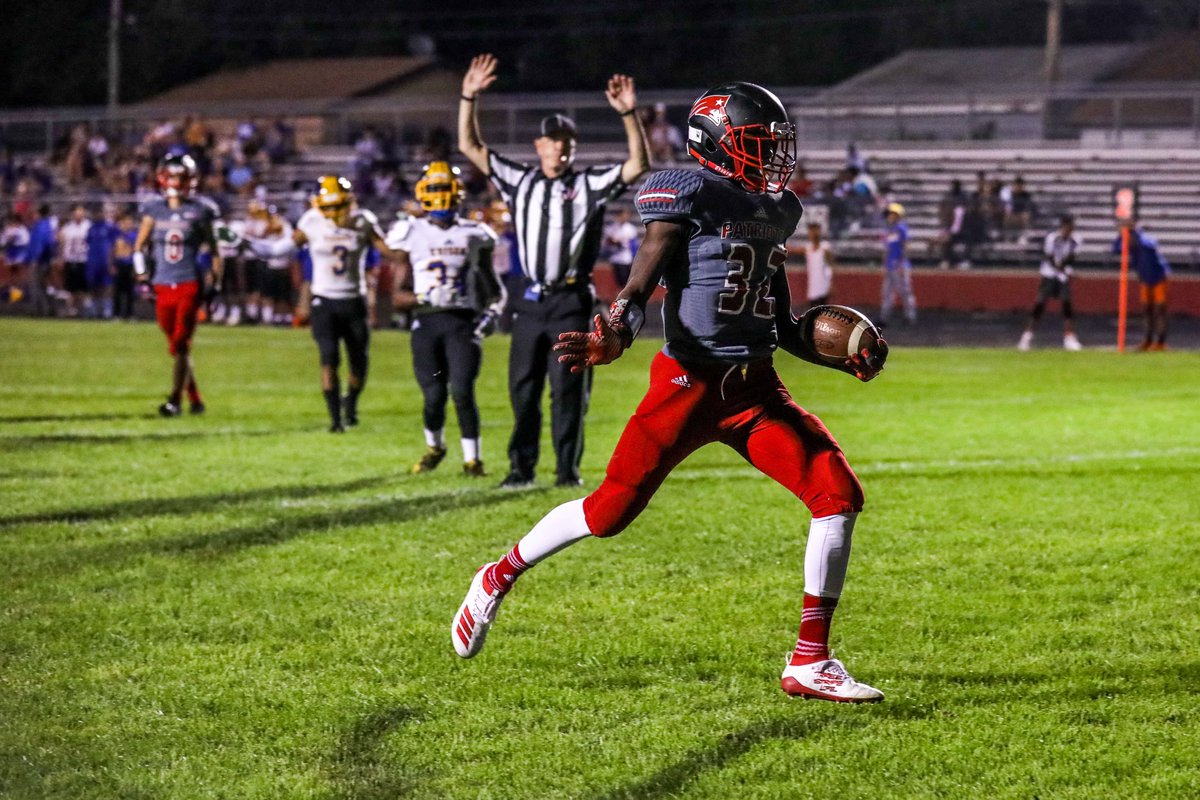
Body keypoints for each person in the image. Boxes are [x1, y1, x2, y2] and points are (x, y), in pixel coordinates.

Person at [451, 82, 889, 704]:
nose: (773, 157)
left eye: (775, 145)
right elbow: (649, 263)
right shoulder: (690, 191)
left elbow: (780, 321)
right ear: (717, 146)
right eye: (759, 144)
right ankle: (497, 574)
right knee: (607, 515)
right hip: (687, 385)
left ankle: (809, 659)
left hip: (755, 389)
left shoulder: (777, 209)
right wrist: (620, 321)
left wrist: (843, 357)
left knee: (837, 493)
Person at [457, 53, 650, 488]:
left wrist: (628, 115)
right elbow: (471, 147)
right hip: (531, 298)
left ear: (573, 147)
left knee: (568, 390)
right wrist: (469, 96)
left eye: (567, 141)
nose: (560, 146)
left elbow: (638, 166)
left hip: (570, 298)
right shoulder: (519, 181)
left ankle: (567, 473)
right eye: (552, 140)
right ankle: (520, 469)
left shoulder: (588, 184)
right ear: (538, 146)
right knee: (522, 389)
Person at [245, 175, 400, 431]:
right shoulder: (312, 222)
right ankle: (335, 420)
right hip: (324, 301)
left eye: (339, 205)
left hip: (354, 300)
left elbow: (389, 252)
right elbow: (279, 250)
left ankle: (350, 403)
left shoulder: (364, 221)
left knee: (359, 361)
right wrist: (247, 244)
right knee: (328, 359)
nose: (335, 213)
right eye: (330, 206)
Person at [387, 161, 504, 477]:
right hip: (426, 322)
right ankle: (435, 447)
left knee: (463, 391)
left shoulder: (473, 234)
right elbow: (397, 296)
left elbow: (494, 287)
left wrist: (493, 312)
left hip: (463, 323)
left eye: (444, 190)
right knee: (434, 396)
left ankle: (473, 460)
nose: (440, 198)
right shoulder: (411, 232)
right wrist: (423, 298)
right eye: (435, 191)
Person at [132, 153, 223, 416]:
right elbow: (139, 247)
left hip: (188, 284)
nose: (174, 181)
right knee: (176, 347)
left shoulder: (201, 210)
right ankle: (195, 397)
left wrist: (214, 284)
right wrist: (142, 277)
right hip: (162, 284)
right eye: (170, 176)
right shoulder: (153, 209)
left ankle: (174, 401)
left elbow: (216, 251)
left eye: (179, 176)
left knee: (182, 343)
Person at [1018, 214, 1083, 351]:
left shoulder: (1076, 240)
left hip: (1063, 274)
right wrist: (1060, 269)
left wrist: (1063, 270)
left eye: (1070, 228)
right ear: (1062, 227)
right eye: (1066, 227)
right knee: (1040, 303)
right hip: (1049, 273)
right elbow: (1049, 257)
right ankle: (1027, 337)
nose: (1068, 231)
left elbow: (1071, 258)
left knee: (1066, 303)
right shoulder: (1052, 238)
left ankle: (1069, 337)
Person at [1113, 220, 1171, 351]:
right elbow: (1116, 249)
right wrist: (1121, 235)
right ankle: (1148, 340)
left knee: (1160, 309)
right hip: (1145, 279)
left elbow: (1150, 244)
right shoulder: (1129, 241)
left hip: (1159, 277)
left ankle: (1161, 342)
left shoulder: (1144, 238)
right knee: (1147, 310)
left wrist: (1134, 233)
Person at [880, 202, 917, 325]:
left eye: (893, 214)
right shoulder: (889, 230)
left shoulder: (901, 228)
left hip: (899, 265)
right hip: (890, 265)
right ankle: (884, 317)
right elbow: (888, 248)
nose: (890, 216)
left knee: (905, 291)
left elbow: (905, 246)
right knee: (887, 292)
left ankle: (910, 316)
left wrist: (902, 263)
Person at [59, 205, 91, 317]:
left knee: (83, 288)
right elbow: (62, 244)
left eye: (80, 213)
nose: (78, 215)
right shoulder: (68, 227)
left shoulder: (88, 226)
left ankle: (83, 311)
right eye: (77, 213)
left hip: (84, 260)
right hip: (70, 259)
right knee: (70, 288)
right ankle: (71, 310)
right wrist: (62, 258)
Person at [797, 219, 834, 308]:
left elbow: (831, 266)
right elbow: (793, 250)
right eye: (811, 230)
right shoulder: (808, 248)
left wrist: (831, 284)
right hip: (812, 287)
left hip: (823, 287)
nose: (813, 233)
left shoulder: (825, 248)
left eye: (815, 230)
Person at [602, 207, 640, 288]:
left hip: (628, 258)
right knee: (620, 283)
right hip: (616, 258)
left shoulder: (631, 229)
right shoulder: (611, 228)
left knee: (628, 282)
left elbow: (633, 245)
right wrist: (615, 242)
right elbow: (607, 243)